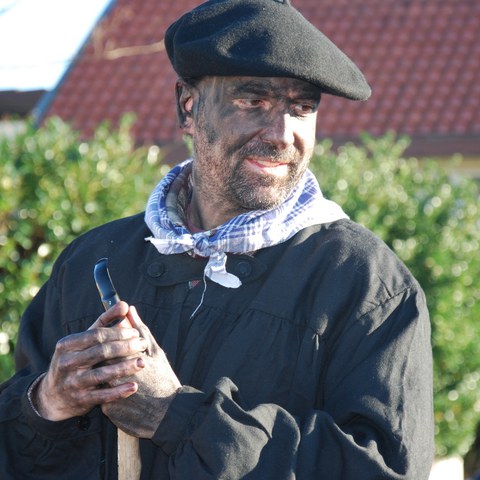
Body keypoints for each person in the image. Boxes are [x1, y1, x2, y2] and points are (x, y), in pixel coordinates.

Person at [0, 0, 434, 478]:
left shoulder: (366, 283)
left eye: (301, 107)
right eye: (254, 102)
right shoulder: (93, 261)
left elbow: (386, 470)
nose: (281, 133)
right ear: (189, 107)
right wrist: (46, 402)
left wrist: (176, 416)